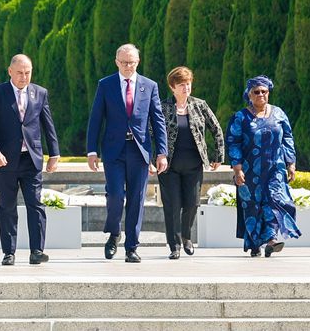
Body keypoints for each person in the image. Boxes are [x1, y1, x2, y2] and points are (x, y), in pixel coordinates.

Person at [86, 43, 168, 263]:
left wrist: (162, 152)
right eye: (124, 62)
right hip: (113, 150)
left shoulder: (149, 86)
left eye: (132, 62)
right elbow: (96, 119)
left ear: (138, 62)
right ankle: (114, 233)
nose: (128, 66)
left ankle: (132, 247)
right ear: (116, 62)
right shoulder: (106, 85)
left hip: (139, 150)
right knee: (115, 195)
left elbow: (157, 120)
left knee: (136, 199)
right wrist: (92, 150)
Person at [0, 54, 60, 266]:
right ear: (10, 71)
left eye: (27, 73)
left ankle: (37, 251)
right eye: (19, 73)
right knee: (7, 205)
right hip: (5, 160)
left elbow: (48, 125)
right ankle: (9, 252)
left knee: (36, 204)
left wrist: (54, 153)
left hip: (31, 159)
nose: (23, 77)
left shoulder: (40, 93)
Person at [227, 75, 300, 257]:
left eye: (264, 92)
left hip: (275, 168)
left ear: (268, 93)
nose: (261, 94)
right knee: (252, 206)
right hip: (249, 171)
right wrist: (237, 169)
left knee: (275, 200)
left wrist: (291, 163)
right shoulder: (240, 117)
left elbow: (288, 138)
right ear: (249, 95)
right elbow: (233, 142)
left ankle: (272, 239)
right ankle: (255, 244)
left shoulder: (279, 114)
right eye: (256, 92)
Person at [159, 66, 222, 259]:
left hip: (193, 164)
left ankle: (186, 236)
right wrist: (154, 157)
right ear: (172, 87)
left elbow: (216, 128)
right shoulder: (163, 107)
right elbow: (151, 133)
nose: (186, 88)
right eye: (181, 85)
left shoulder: (199, 105)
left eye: (188, 84)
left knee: (192, 203)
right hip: (169, 166)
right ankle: (174, 245)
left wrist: (218, 155)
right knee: (172, 206)